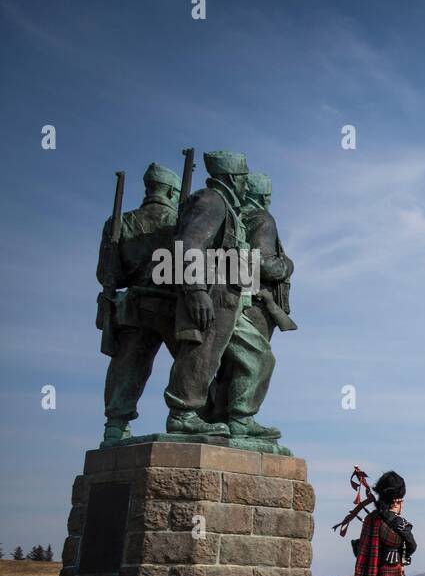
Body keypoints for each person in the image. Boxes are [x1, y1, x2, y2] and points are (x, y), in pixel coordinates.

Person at [164, 150, 253, 436]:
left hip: (230, 299)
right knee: (200, 352)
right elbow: (189, 243)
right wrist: (195, 290)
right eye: (243, 178)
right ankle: (183, 413)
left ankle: (235, 416)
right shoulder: (212, 200)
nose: (246, 184)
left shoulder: (228, 206)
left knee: (249, 356)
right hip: (210, 293)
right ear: (231, 177)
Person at [95, 163, 183, 446]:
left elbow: (108, 274)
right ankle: (187, 416)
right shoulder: (181, 223)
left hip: (133, 306)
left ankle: (115, 424)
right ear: (171, 191)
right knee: (191, 364)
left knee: (127, 366)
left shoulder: (120, 222)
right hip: (171, 305)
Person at [203, 171, 295, 437]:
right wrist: (287, 265)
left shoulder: (234, 217)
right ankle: (240, 418)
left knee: (228, 366)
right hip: (254, 304)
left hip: (232, 299)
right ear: (264, 196)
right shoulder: (262, 218)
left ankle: (221, 417)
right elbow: (265, 264)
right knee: (255, 361)